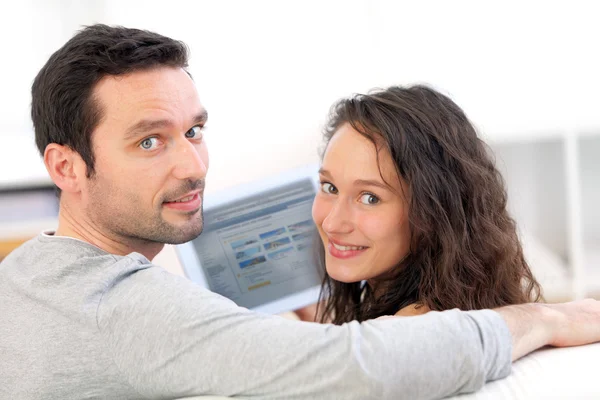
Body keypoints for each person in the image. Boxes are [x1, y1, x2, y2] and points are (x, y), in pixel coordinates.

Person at [0, 23, 599, 400]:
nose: (193, 166)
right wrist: (545, 319)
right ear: (66, 166)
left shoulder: (27, 277)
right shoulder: (124, 307)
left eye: (195, 130)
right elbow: (356, 369)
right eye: (149, 141)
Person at [309, 85, 542, 324]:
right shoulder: (447, 308)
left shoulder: (410, 329)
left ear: (432, 211)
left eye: (370, 198)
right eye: (330, 187)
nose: (332, 223)